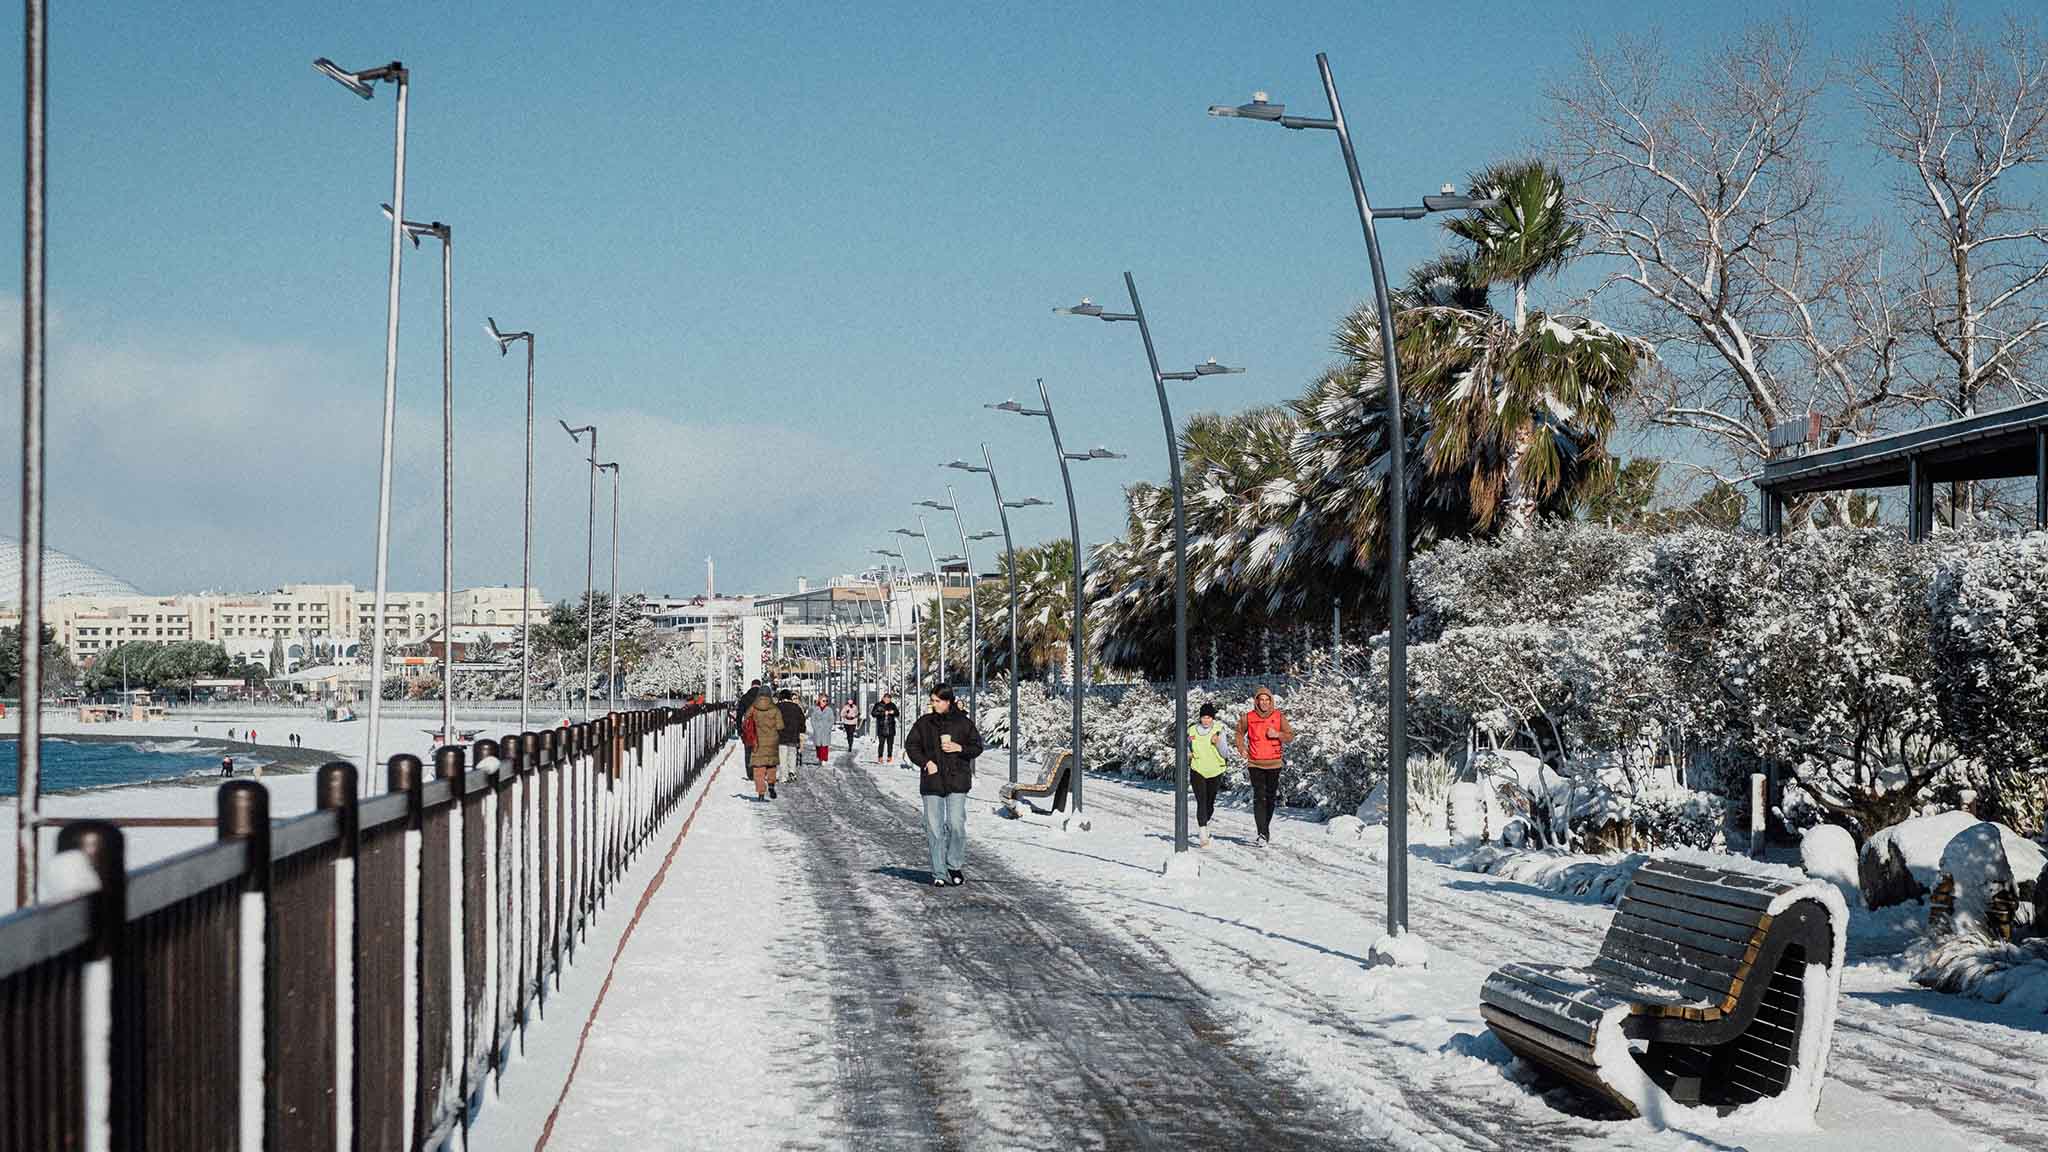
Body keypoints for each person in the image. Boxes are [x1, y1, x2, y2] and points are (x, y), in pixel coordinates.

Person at [904, 684, 983, 886]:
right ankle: (939, 872)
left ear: (948, 701)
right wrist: (926, 762)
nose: (934, 704)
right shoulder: (924, 723)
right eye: (932, 700)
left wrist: (960, 748)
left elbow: (977, 747)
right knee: (934, 828)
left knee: (956, 824)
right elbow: (911, 745)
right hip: (932, 781)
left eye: (938, 701)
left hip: (957, 780)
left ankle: (954, 865)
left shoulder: (963, 723)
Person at [1234, 686, 1292, 846]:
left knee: (1270, 797)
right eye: (1261, 700)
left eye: (1267, 700)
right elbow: (1239, 733)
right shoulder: (1248, 717)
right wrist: (1241, 748)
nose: (1264, 702)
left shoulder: (1279, 716)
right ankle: (1262, 833)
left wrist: (1278, 734)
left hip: (1274, 763)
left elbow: (1290, 736)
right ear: (1257, 701)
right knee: (1259, 796)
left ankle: (1264, 829)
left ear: (1271, 701)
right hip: (1255, 763)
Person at [1189, 701, 1229, 847]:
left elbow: (1225, 753)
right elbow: (1186, 746)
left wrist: (1218, 743)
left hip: (1215, 770)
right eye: (1204, 717)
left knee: (1209, 802)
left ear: (1213, 718)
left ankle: (1205, 823)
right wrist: (1188, 752)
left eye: (1209, 717)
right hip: (1198, 769)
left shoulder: (1218, 730)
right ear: (1200, 717)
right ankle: (1203, 834)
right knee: (1201, 801)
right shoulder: (1191, 731)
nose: (1206, 720)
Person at [743, 689, 784, 800]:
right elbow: (780, 726)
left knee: (758, 768)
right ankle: (771, 784)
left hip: (757, 741)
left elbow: (746, 720)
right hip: (772, 741)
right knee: (771, 765)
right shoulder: (775, 709)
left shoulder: (753, 708)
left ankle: (761, 793)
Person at [775, 689, 807, 786]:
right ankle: (792, 771)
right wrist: (802, 731)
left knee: (782, 756)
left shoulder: (777, 707)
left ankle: (783, 776)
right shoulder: (796, 707)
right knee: (792, 754)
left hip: (781, 736)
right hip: (793, 735)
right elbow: (802, 721)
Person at [870, 692, 900, 764]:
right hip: (881, 727)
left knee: (890, 744)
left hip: (891, 727)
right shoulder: (878, 705)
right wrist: (883, 713)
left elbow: (897, 713)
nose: (887, 700)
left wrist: (893, 712)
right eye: (886, 699)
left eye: (889, 699)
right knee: (881, 743)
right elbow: (873, 713)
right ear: (883, 698)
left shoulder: (892, 705)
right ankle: (880, 757)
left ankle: (889, 757)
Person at [808, 695, 836, 766]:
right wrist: (815, 727)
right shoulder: (815, 709)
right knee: (818, 746)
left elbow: (831, 719)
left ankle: (824, 759)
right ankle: (820, 758)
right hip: (818, 730)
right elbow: (813, 719)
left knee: (825, 746)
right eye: (823, 701)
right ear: (820, 701)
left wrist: (828, 727)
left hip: (825, 730)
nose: (825, 702)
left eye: (826, 701)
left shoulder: (829, 710)